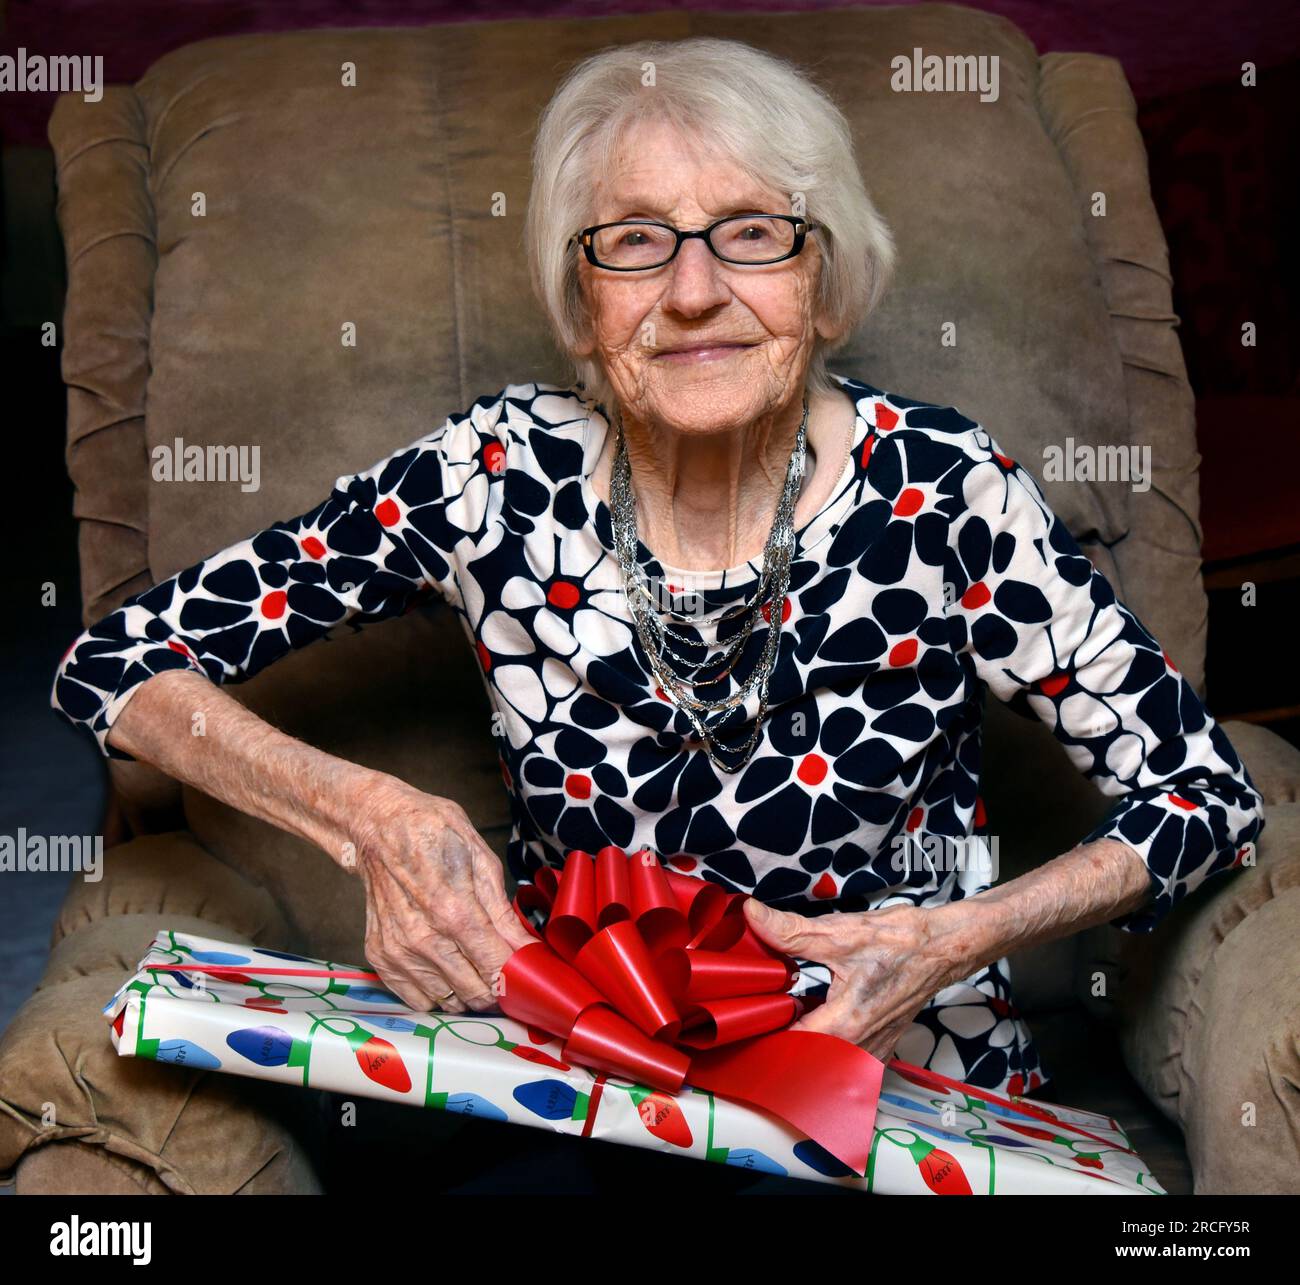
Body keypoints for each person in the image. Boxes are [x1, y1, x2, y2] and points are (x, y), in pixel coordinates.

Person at [52, 37, 1265, 1094]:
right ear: (580, 305)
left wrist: (954, 939)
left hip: (897, 1091)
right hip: (593, 1077)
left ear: (823, 282)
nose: (693, 293)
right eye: (635, 241)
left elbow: (1207, 797)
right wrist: (369, 816)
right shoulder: (490, 475)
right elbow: (112, 666)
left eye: (750, 234)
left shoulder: (950, 494)